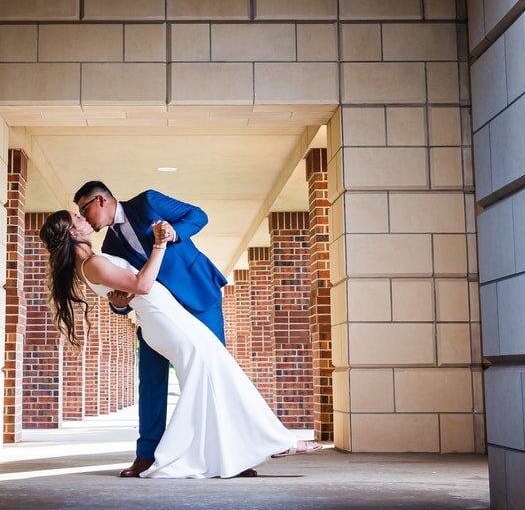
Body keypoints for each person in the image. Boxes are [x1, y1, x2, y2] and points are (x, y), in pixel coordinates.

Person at [38, 205, 326, 479]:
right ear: (72, 233)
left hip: (169, 316)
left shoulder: (94, 260)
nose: (83, 217)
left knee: (212, 376)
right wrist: (159, 245)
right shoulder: (92, 263)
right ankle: (272, 441)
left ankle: (237, 450)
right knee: (214, 372)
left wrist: (122, 296)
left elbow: (128, 290)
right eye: (76, 217)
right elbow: (142, 285)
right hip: (166, 321)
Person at [72, 180, 225, 476]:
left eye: (84, 209)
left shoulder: (148, 202)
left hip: (197, 295)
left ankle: (227, 453)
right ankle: (147, 455)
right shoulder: (108, 247)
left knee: (215, 373)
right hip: (158, 316)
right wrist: (118, 304)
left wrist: (173, 232)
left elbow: (199, 215)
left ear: (101, 200)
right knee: (151, 380)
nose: (85, 217)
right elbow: (128, 291)